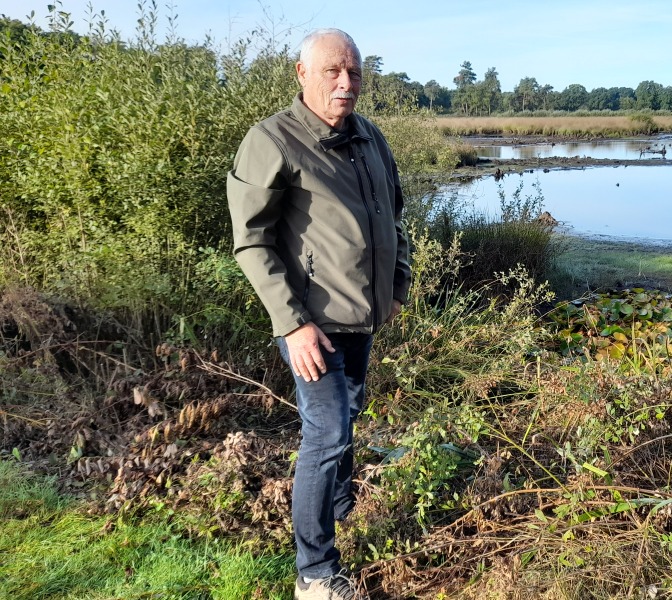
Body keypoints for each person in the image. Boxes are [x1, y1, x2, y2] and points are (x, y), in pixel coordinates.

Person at [226, 28, 410, 600]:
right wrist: (292, 322)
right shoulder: (272, 140)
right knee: (327, 431)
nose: (346, 83)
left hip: (362, 314)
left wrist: (398, 283)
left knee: (348, 415)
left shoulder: (369, 136)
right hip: (310, 323)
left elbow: (395, 214)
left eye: (354, 72)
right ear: (302, 74)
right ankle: (316, 575)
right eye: (333, 71)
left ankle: (343, 508)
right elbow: (251, 243)